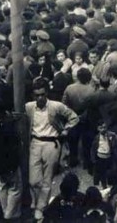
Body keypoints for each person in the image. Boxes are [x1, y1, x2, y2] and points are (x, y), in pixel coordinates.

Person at [26, 79, 80, 220]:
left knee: (47, 179)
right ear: (33, 95)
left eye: (42, 94)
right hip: (35, 142)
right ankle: (36, 202)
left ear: (47, 93)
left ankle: (41, 207)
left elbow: (74, 117)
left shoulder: (56, 106)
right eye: (37, 95)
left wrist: (66, 130)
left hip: (51, 143)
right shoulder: (29, 107)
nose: (40, 98)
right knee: (33, 180)